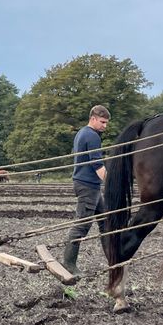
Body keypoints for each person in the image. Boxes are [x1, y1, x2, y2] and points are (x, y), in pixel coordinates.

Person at [60, 105, 110, 278]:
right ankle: (69, 263)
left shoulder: (82, 133)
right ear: (94, 118)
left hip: (90, 185)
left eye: (106, 123)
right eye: (103, 122)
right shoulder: (92, 136)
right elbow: (97, 164)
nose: (105, 126)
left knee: (105, 222)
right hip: (88, 185)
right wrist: (111, 184)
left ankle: (112, 259)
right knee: (82, 225)